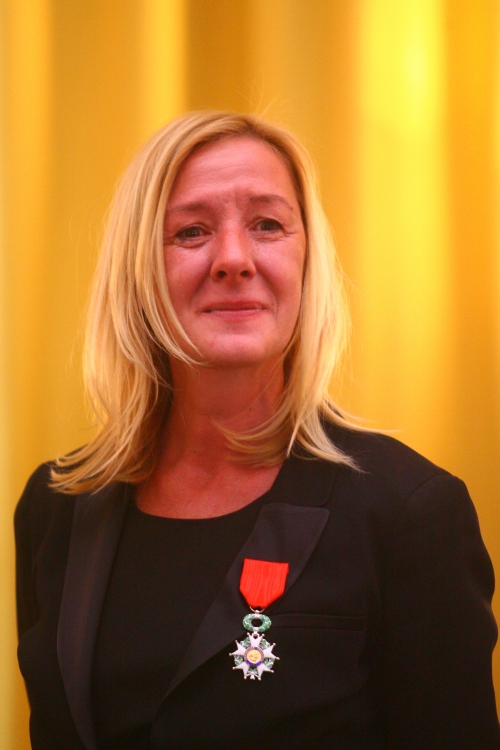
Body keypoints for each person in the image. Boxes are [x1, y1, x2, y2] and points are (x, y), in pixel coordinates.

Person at [15, 111, 500, 750]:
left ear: (307, 260)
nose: (234, 259)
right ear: (137, 270)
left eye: (268, 225)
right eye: (191, 231)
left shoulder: (409, 511)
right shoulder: (57, 506)